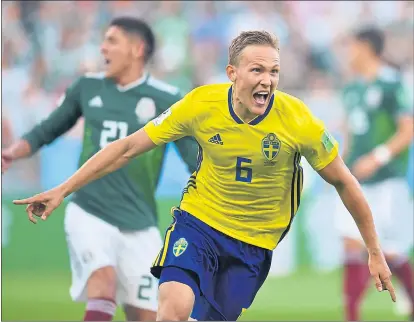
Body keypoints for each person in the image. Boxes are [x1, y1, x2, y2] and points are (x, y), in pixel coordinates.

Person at [13, 30, 396, 321]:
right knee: (172, 308)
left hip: (253, 242)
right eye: (257, 69)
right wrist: (63, 189)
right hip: (199, 223)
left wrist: (374, 251)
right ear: (232, 73)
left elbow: (345, 181)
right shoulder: (200, 104)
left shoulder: (299, 121)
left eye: (274, 71)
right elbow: (128, 147)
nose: (267, 80)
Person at [3, 17, 198, 321]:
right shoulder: (87, 87)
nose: (102, 47)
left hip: (140, 222)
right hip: (89, 211)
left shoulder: (168, 100)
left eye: (111, 41)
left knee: (148, 316)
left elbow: (193, 160)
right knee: (103, 285)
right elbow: (48, 129)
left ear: (137, 48)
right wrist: (10, 153)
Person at [335, 27, 414, 321]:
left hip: (387, 183)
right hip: (357, 183)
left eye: (351, 46)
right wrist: (337, 166)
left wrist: (377, 158)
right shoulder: (352, 89)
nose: (348, 53)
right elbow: (349, 136)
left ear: (366, 47)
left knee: (391, 253)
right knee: (350, 242)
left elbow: (408, 130)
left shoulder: (392, 84)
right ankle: (352, 316)